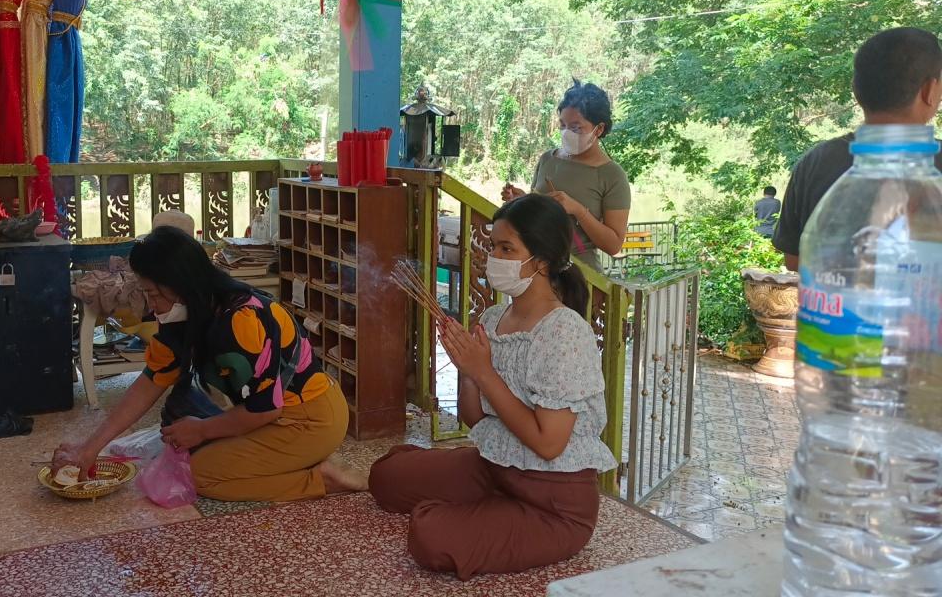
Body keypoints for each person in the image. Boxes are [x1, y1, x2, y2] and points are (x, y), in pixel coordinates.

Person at [368, 194, 617, 580]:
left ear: (542, 260)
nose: (491, 258)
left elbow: (548, 444)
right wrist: (467, 368)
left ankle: (480, 514)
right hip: (495, 468)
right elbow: (475, 418)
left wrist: (483, 372)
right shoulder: (494, 316)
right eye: (492, 246)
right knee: (386, 477)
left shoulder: (565, 332)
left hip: (552, 503)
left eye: (506, 249)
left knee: (430, 538)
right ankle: (485, 506)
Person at [52, 226, 364, 501]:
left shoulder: (241, 321)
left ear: (183, 284)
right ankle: (291, 459)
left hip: (309, 419)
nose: (152, 306)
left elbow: (267, 408)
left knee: (200, 476)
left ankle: (320, 479)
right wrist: (89, 447)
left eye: (154, 294)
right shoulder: (183, 314)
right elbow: (150, 381)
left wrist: (203, 430)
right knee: (182, 436)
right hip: (270, 414)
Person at [773, 27, 942, 271]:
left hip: (834, 295)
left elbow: (795, 260)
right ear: (929, 91)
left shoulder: (815, 161)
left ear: (856, 90)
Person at [502, 80, 631, 272]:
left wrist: (578, 210)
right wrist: (523, 201)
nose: (567, 133)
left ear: (599, 129)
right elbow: (540, 218)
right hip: (537, 268)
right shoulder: (547, 159)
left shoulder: (612, 175)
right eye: (563, 125)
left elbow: (613, 245)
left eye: (576, 128)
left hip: (579, 274)